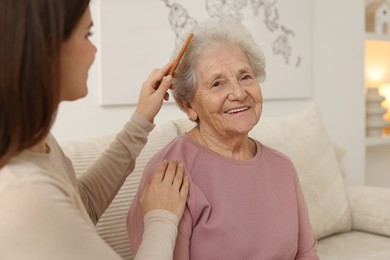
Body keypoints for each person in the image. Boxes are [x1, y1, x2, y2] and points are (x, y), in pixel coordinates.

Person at [0, 0, 189, 259]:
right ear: (47, 48)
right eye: (87, 34)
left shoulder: (35, 140)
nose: (94, 50)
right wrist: (161, 217)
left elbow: (82, 208)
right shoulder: (23, 195)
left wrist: (141, 119)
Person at [127, 18, 319, 259]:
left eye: (246, 77)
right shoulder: (169, 176)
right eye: (217, 83)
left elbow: (306, 253)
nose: (239, 93)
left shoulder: (283, 168)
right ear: (189, 106)